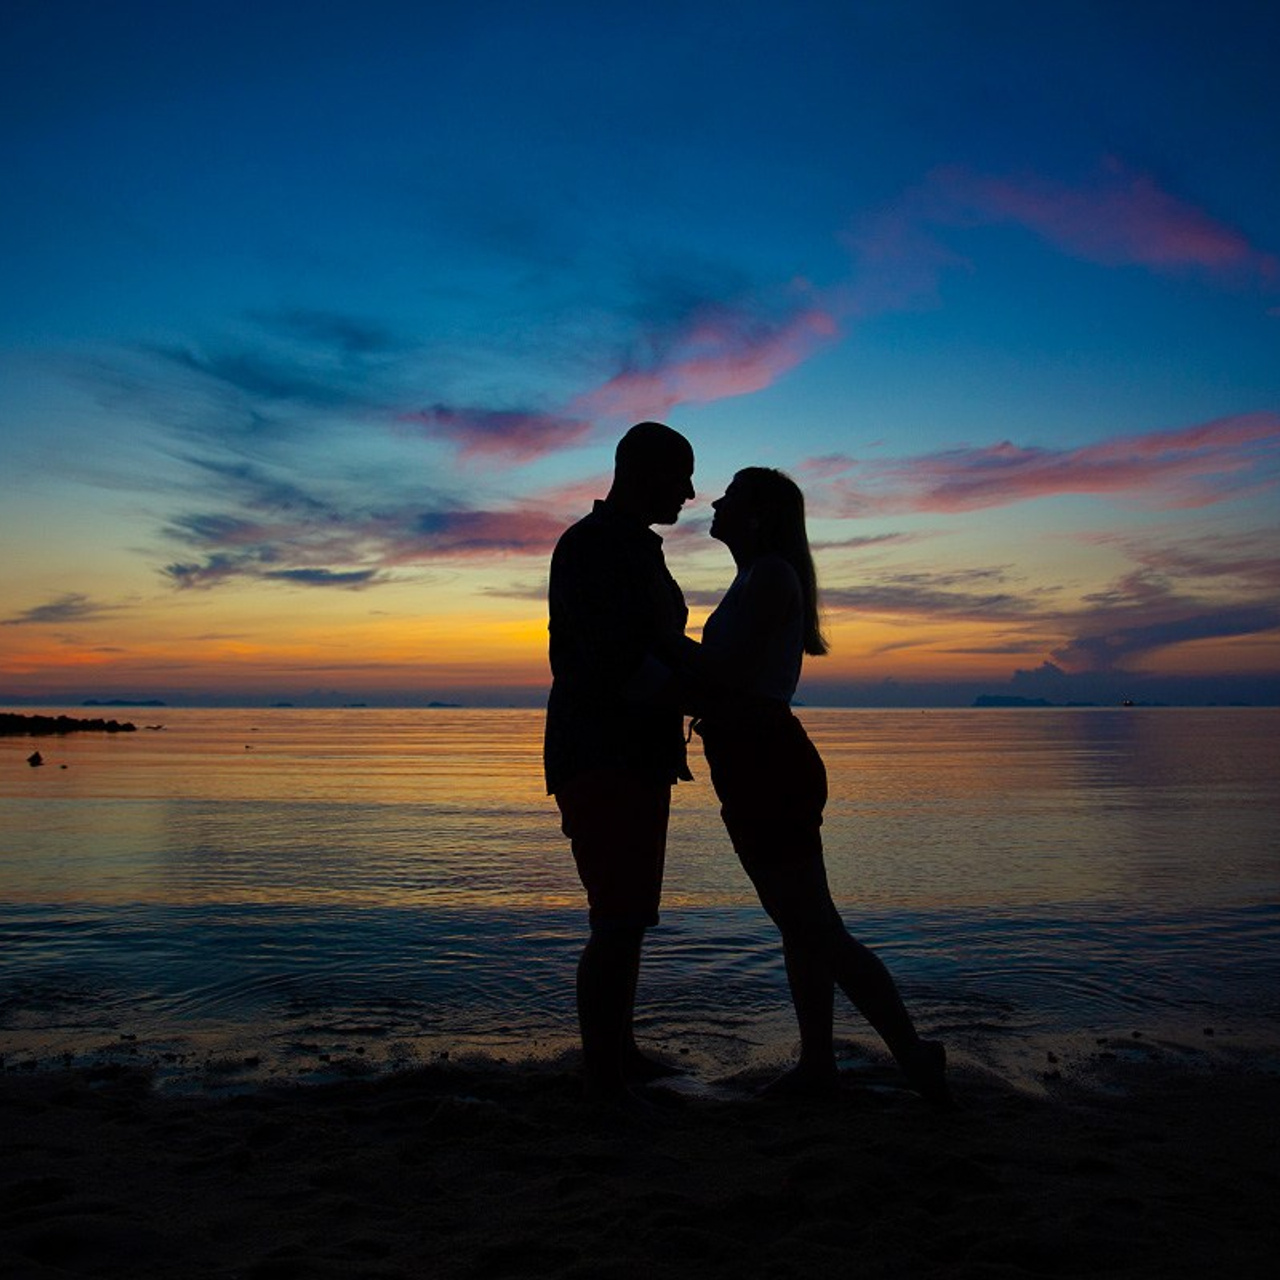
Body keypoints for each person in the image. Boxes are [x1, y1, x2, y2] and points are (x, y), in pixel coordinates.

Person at [665, 466, 952, 1106]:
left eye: (733, 496)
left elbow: (724, 675)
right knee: (801, 924)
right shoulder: (755, 577)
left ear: (759, 515)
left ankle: (912, 1052)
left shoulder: (769, 576)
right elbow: (722, 674)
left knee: (815, 927)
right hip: (752, 761)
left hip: (766, 760)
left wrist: (657, 641)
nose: (714, 501)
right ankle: (820, 1062)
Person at [544, 421, 696, 1103]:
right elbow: (612, 660)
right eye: (680, 475)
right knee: (615, 915)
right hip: (603, 751)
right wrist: (705, 692)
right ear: (640, 471)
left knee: (630, 913)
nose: (692, 492)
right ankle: (602, 1069)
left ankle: (619, 1051)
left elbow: (653, 647)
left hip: (634, 752)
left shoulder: (629, 547)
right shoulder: (595, 546)